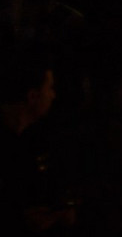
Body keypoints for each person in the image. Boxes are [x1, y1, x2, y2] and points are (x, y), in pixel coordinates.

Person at [1, 49, 74, 231]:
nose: (53, 95)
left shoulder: (36, 136)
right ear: (33, 96)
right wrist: (20, 218)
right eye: (49, 88)